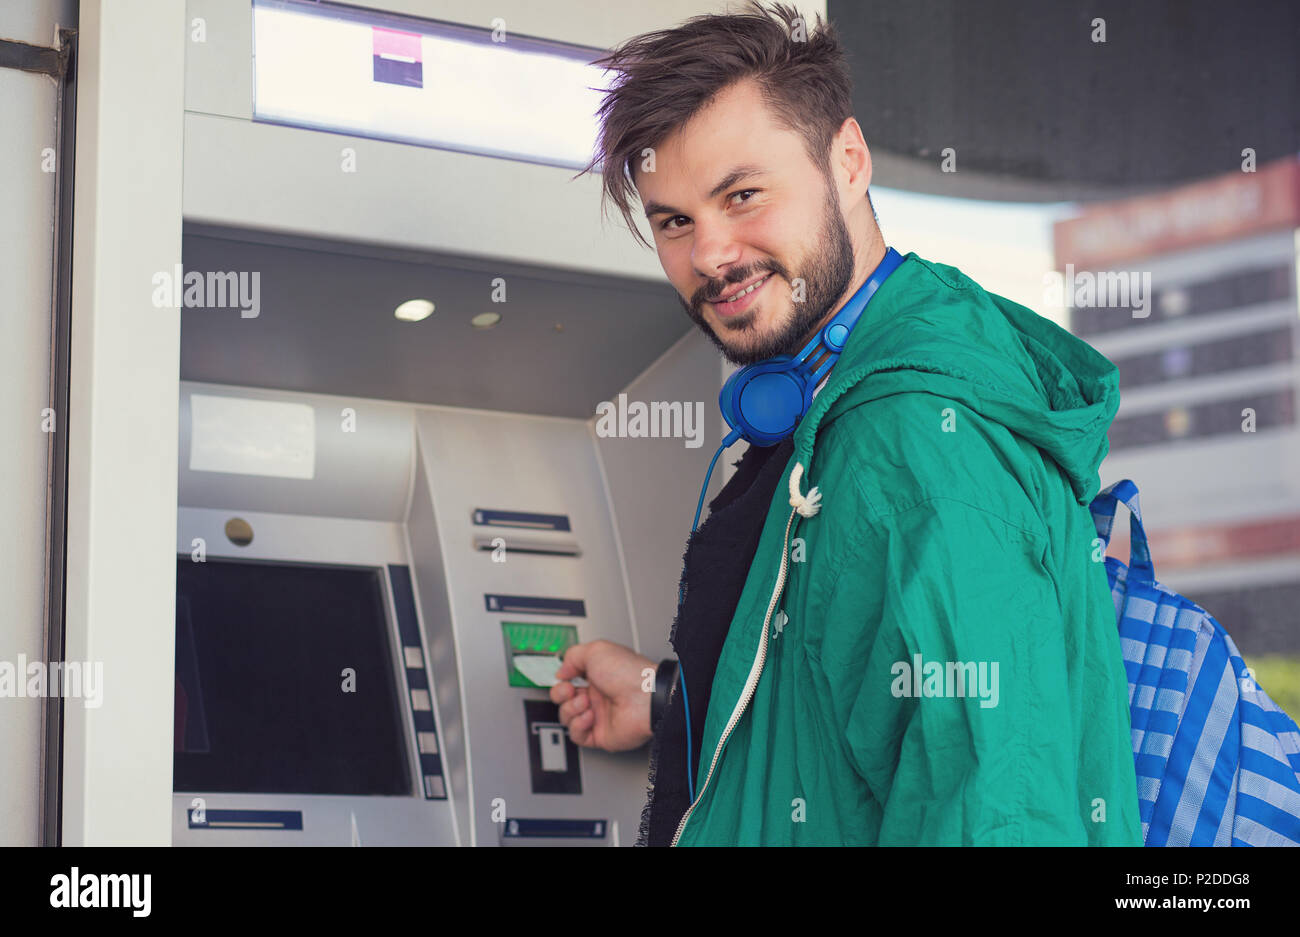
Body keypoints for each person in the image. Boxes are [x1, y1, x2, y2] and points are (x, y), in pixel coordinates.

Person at [552, 1, 1142, 846]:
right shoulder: (845, 395)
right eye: (675, 220)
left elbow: (997, 807)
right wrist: (666, 699)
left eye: (743, 195)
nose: (712, 254)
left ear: (850, 160)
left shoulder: (912, 438)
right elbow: (844, 701)